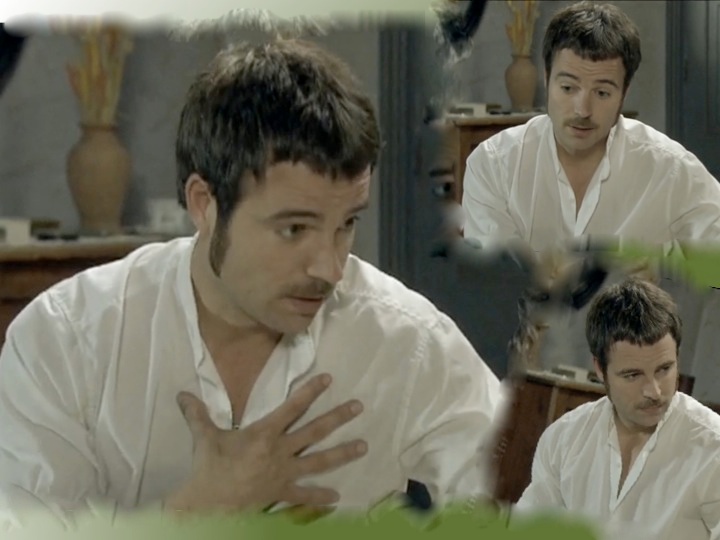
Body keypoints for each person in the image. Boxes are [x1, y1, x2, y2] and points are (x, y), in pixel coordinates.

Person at [0, 38, 507, 528]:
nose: (330, 269)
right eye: (294, 229)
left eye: (347, 223)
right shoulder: (66, 340)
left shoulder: (402, 338)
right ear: (204, 203)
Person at [461, 1, 720, 253]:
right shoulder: (494, 165)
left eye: (602, 93)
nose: (582, 110)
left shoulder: (670, 169)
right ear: (547, 79)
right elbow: (495, 276)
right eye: (568, 88)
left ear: (624, 93)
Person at [513, 278, 720, 540]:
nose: (654, 391)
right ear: (600, 369)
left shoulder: (712, 448)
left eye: (664, 369)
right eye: (633, 375)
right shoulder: (565, 439)